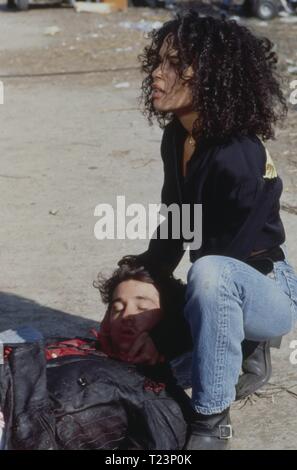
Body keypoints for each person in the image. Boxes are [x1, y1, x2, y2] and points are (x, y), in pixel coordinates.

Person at [101, 10, 297, 449]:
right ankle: (240, 352)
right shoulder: (178, 137)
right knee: (140, 352)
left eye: (175, 64)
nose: (157, 73)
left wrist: (163, 332)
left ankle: (212, 421)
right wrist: (136, 285)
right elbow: (175, 224)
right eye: (158, 61)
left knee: (208, 274)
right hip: (220, 282)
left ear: (212, 77)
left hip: (269, 289)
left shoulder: (239, 157)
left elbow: (222, 264)